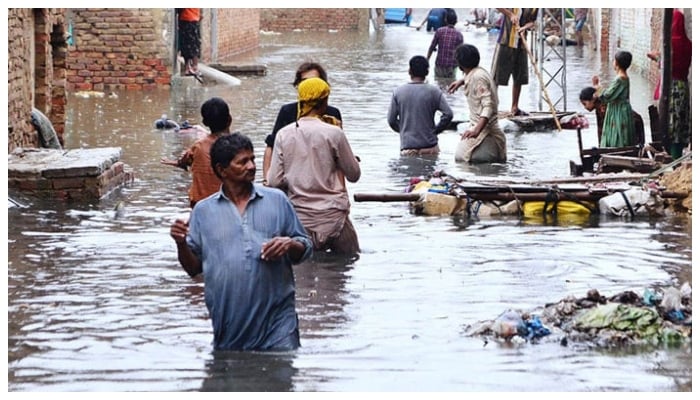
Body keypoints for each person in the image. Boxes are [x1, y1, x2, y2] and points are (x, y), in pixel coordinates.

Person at [169, 133, 313, 351]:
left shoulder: (277, 200)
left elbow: (305, 247)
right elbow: (193, 269)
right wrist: (180, 243)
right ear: (222, 170)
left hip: (279, 325)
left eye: (253, 159)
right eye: (243, 162)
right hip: (229, 325)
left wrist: (289, 244)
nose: (252, 166)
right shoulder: (203, 212)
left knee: (280, 374)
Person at [267, 77, 362, 255]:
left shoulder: (283, 135)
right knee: (346, 266)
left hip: (299, 218)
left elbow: (273, 181)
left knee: (303, 275)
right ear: (324, 101)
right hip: (334, 217)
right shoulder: (334, 133)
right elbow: (354, 174)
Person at [262, 62, 342, 183]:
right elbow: (271, 146)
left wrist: (342, 190)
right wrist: (266, 180)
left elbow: (340, 156)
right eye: (304, 82)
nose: (310, 85)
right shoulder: (287, 111)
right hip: (291, 180)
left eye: (314, 81)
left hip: (324, 182)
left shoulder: (333, 114)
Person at [161, 97, 233, 208]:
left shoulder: (198, 147)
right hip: (230, 206)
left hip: (201, 206)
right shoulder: (239, 148)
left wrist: (177, 163)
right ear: (230, 119)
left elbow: (185, 161)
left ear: (204, 122)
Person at [449, 44, 507, 164]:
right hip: (485, 129)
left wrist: (477, 130)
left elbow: (488, 105)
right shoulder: (478, 73)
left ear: (460, 64)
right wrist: (461, 81)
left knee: (460, 160)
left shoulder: (478, 78)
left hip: (484, 131)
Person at [387, 55, 453, 156]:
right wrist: (436, 130)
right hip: (430, 147)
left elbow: (391, 121)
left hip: (408, 148)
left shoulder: (398, 92)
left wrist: (405, 130)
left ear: (409, 71)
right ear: (427, 72)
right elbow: (448, 114)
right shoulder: (434, 92)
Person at [647, 9, 691, 159]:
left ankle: (673, 159)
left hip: (671, 89)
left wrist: (655, 58)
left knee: (670, 126)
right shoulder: (689, 44)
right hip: (683, 87)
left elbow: (666, 66)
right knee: (679, 125)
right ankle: (676, 157)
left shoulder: (670, 43)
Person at [492, 8, 539, 116]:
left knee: (519, 77)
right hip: (506, 41)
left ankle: (514, 107)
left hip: (521, 43)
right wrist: (510, 14)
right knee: (497, 76)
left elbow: (532, 22)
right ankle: (492, 107)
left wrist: (524, 28)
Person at [591, 50, 636, 148]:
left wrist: (597, 86)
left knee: (618, 134)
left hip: (618, 111)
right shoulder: (624, 77)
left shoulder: (619, 79)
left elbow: (607, 96)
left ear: (617, 63)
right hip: (622, 108)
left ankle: (616, 152)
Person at [579, 86, 645, 147]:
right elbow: (601, 130)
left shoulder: (604, 108)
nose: (585, 107)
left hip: (629, 122)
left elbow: (609, 129)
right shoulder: (599, 109)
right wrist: (601, 146)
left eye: (585, 104)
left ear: (593, 99)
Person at [426, 8, 463, 80]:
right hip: (452, 66)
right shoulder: (459, 35)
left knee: (439, 83)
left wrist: (427, 60)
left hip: (440, 64)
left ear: (445, 20)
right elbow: (461, 52)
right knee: (450, 85)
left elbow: (432, 47)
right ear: (456, 21)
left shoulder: (439, 31)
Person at [176, 8, 202, 79]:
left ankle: (191, 68)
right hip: (193, 18)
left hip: (187, 19)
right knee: (194, 44)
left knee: (188, 45)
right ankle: (193, 67)